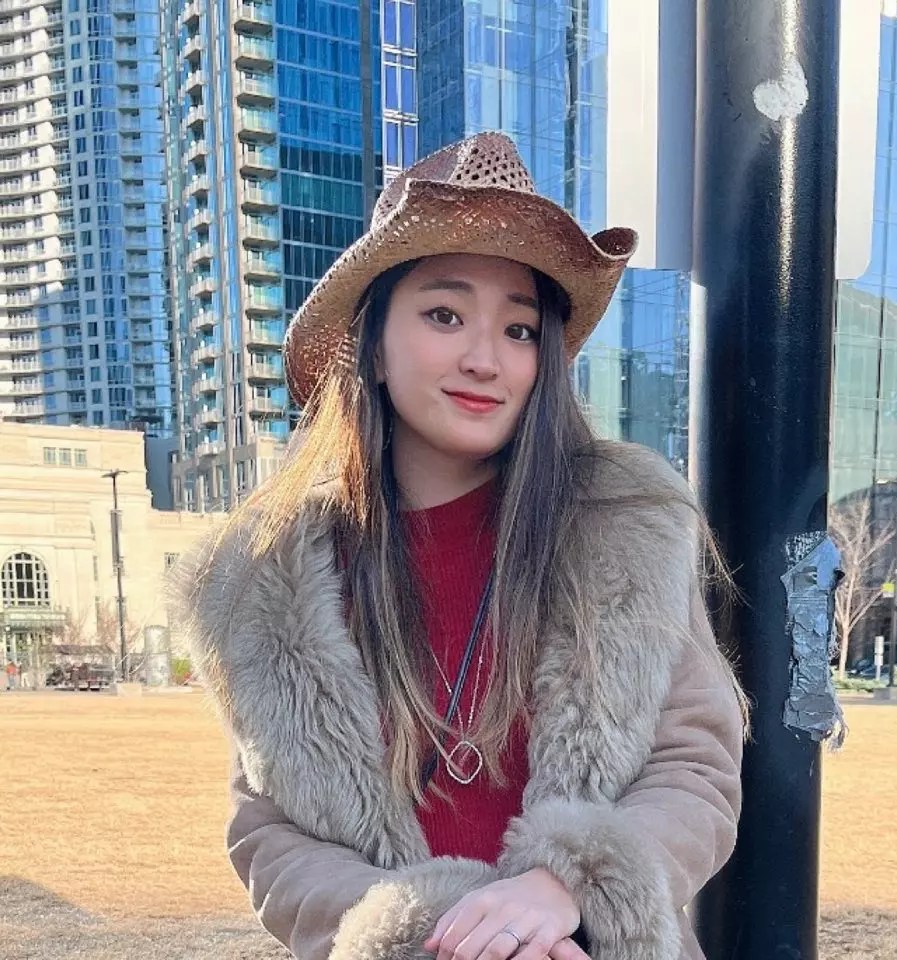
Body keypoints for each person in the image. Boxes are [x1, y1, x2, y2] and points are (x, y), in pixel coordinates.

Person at [172, 133, 746, 960]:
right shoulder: (265, 583)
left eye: (520, 329)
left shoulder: (623, 526)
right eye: (444, 315)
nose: (486, 359)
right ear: (370, 344)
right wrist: (432, 926)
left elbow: (695, 768)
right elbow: (268, 831)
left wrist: (570, 886)